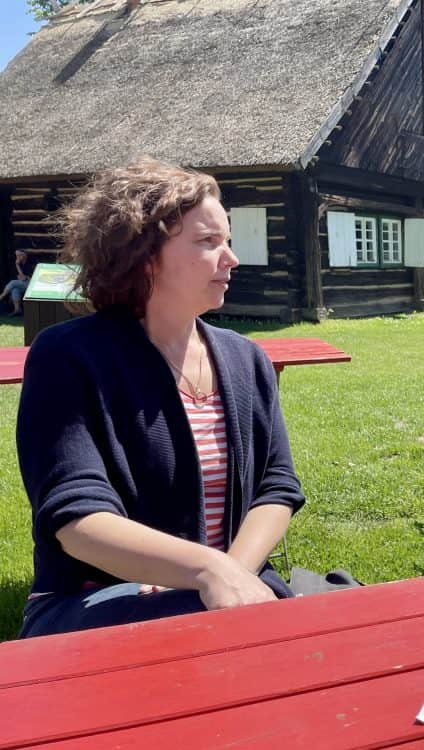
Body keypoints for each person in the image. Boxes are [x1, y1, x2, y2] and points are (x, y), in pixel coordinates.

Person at [17, 158, 305, 638]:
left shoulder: (245, 358)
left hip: (228, 594)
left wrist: (229, 573)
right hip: (94, 602)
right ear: (142, 255)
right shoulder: (68, 357)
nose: (231, 258)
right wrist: (202, 571)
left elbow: (277, 486)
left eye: (228, 241)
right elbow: (76, 517)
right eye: (208, 242)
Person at [0, 249, 37, 316]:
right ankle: (17, 309)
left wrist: (17, 265)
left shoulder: (29, 264)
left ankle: (2, 296)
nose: (18, 257)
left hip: (32, 285)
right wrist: (18, 267)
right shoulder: (18, 264)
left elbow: (24, 278)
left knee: (13, 283)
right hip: (23, 284)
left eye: (20, 255)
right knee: (15, 289)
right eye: (16, 255)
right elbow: (21, 278)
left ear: (25, 255)